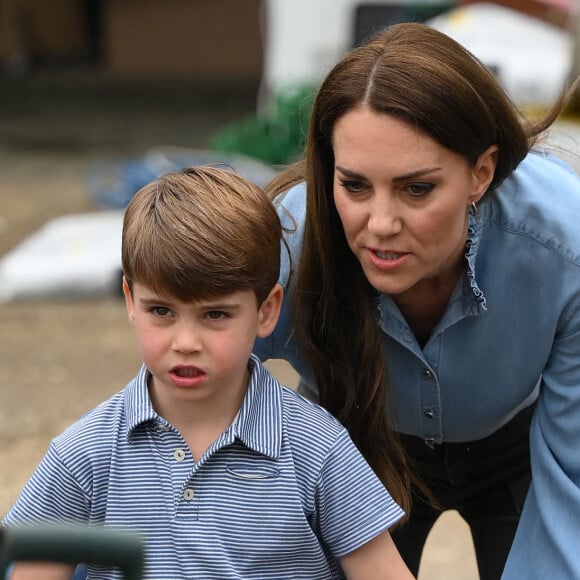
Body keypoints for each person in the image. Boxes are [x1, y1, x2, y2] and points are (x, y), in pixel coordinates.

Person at [253, 21, 580, 580]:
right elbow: (186, 403)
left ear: (481, 172)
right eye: (354, 185)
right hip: (356, 448)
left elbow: (572, 482)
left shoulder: (564, 245)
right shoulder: (283, 245)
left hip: (522, 446)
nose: (379, 225)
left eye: (417, 188)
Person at [2, 166, 414, 579]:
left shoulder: (317, 448)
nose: (186, 342)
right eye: (161, 311)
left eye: (215, 314)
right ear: (130, 300)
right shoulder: (85, 454)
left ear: (266, 310)